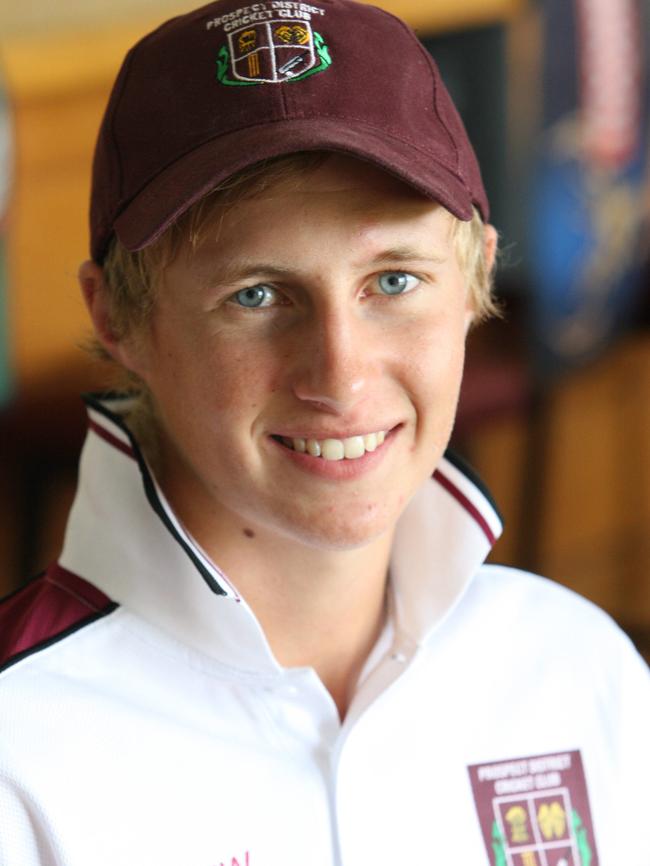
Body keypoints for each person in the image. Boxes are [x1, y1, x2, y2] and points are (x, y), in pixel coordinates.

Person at [0, 1, 648, 863]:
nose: (340, 376)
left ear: (475, 277)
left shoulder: (580, 670)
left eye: (393, 281)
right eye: (257, 295)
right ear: (119, 316)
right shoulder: (24, 748)